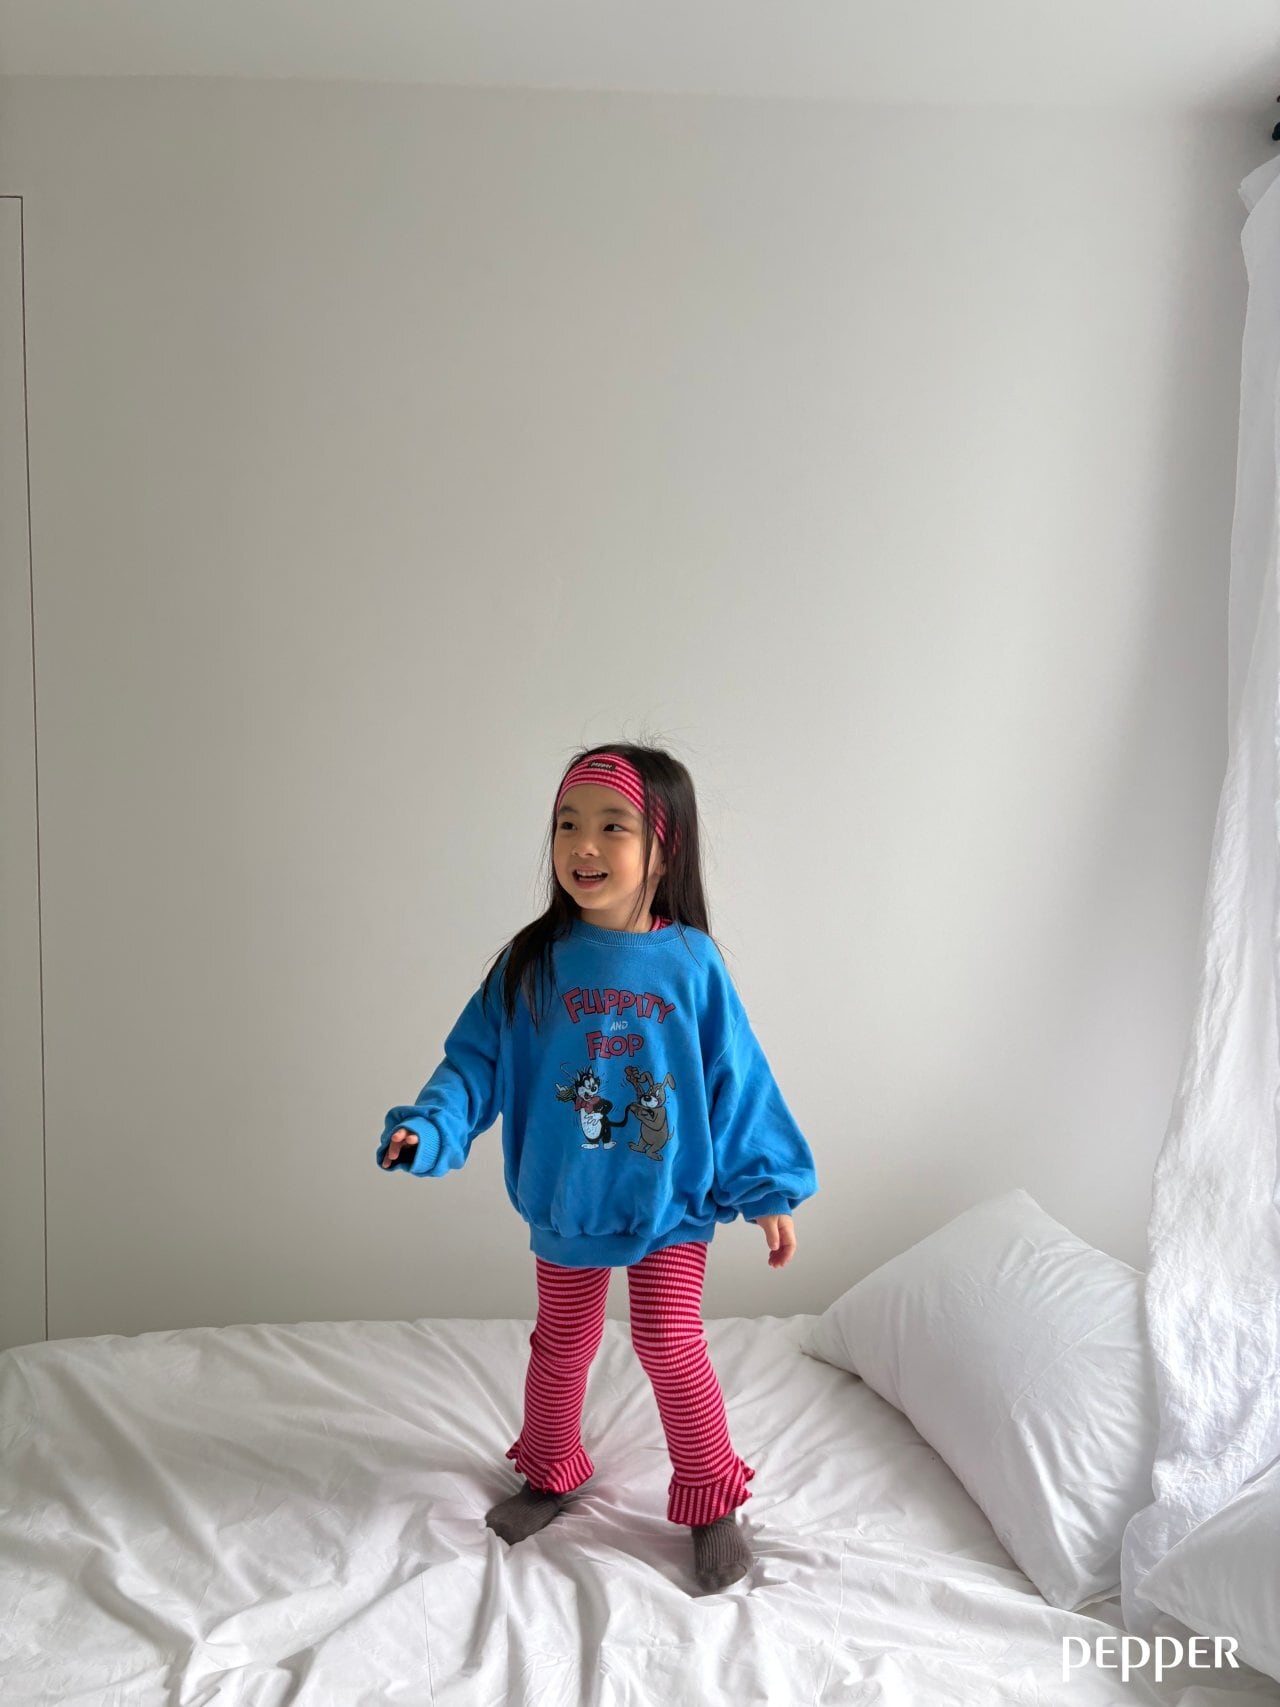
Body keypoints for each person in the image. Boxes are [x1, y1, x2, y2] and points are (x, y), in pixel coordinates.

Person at [376, 742, 818, 1593]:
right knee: (563, 1341)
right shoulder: (534, 960)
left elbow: (738, 1078)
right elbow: (475, 1062)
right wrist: (431, 1128)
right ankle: (550, 1469)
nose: (583, 844)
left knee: (669, 1342)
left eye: (612, 827)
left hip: (668, 1199)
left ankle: (711, 1496)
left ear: (664, 847)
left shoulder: (691, 963)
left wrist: (768, 1186)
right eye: (567, 824)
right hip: (569, 1196)